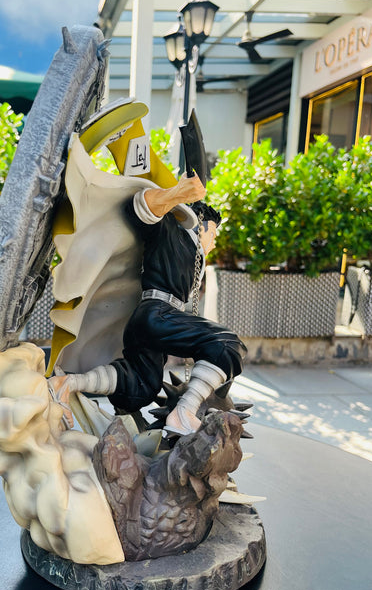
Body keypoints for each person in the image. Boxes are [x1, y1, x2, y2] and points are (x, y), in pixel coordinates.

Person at [49, 173, 246, 436]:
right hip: (157, 313)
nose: (213, 242)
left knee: (142, 385)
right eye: (213, 234)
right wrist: (178, 194)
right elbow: (140, 208)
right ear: (202, 226)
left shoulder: (194, 258)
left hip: (147, 322)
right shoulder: (173, 231)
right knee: (226, 344)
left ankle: (67, 383)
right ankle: (184, 412)